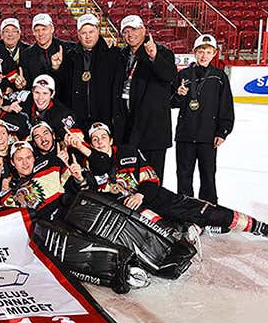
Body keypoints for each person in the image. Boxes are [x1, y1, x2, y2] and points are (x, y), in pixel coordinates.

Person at [72, 122, 267, 237]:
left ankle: (257, 227)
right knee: (163, 230)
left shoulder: (128, 152)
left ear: (110, 140)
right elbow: (91, 193)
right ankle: (191, 228)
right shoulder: (88, 164)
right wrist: (80, 178)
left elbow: (151, 178)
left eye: (102, 137)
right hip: (128, 210)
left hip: (152, 197)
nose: (99, 142)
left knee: (204, 211)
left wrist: (140, 194)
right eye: (95, 139)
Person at [114, 15, 176, 183]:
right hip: (128, 128)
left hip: (153, 131)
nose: (130, 35)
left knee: (153, 178)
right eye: (125, 31)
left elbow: (169, 76)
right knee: (130, 178)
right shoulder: (122, 55)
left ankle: (152, 207)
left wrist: (154, 57)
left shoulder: (162, 52)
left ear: (143, 30)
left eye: (133, 30)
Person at [173, 34, 234, 204]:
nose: (204, 55)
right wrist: (178, 95)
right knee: (184, 175)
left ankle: (209, 211)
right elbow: (170, 102)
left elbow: (226, 106)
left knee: (208, 175)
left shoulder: (219, 76)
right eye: (200, 51)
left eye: (208, 52)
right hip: (185, 134)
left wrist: (223, 131)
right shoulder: (184, 74)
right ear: (194, 52)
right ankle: (185, 209)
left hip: (208, 136)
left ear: (214, 53)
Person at [58, 14, 121, 132]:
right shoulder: (70, 56)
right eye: (84, 33)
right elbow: (63, 89)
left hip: (105, 119)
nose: (88, 37)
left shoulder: (113, 54)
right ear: (78, 34)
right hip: (78, 120)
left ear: (98, 31)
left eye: (91, 32)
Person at [18, 13, 73, 93]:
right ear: (33, 32)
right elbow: (27, 85)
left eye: (44, 29)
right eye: (37, 30)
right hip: (38, 101)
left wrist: (56, 69)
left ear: (52, 29)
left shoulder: (68, 49)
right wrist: (23, 86)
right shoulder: (26, 55)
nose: (40, 34)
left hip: (64, 101)